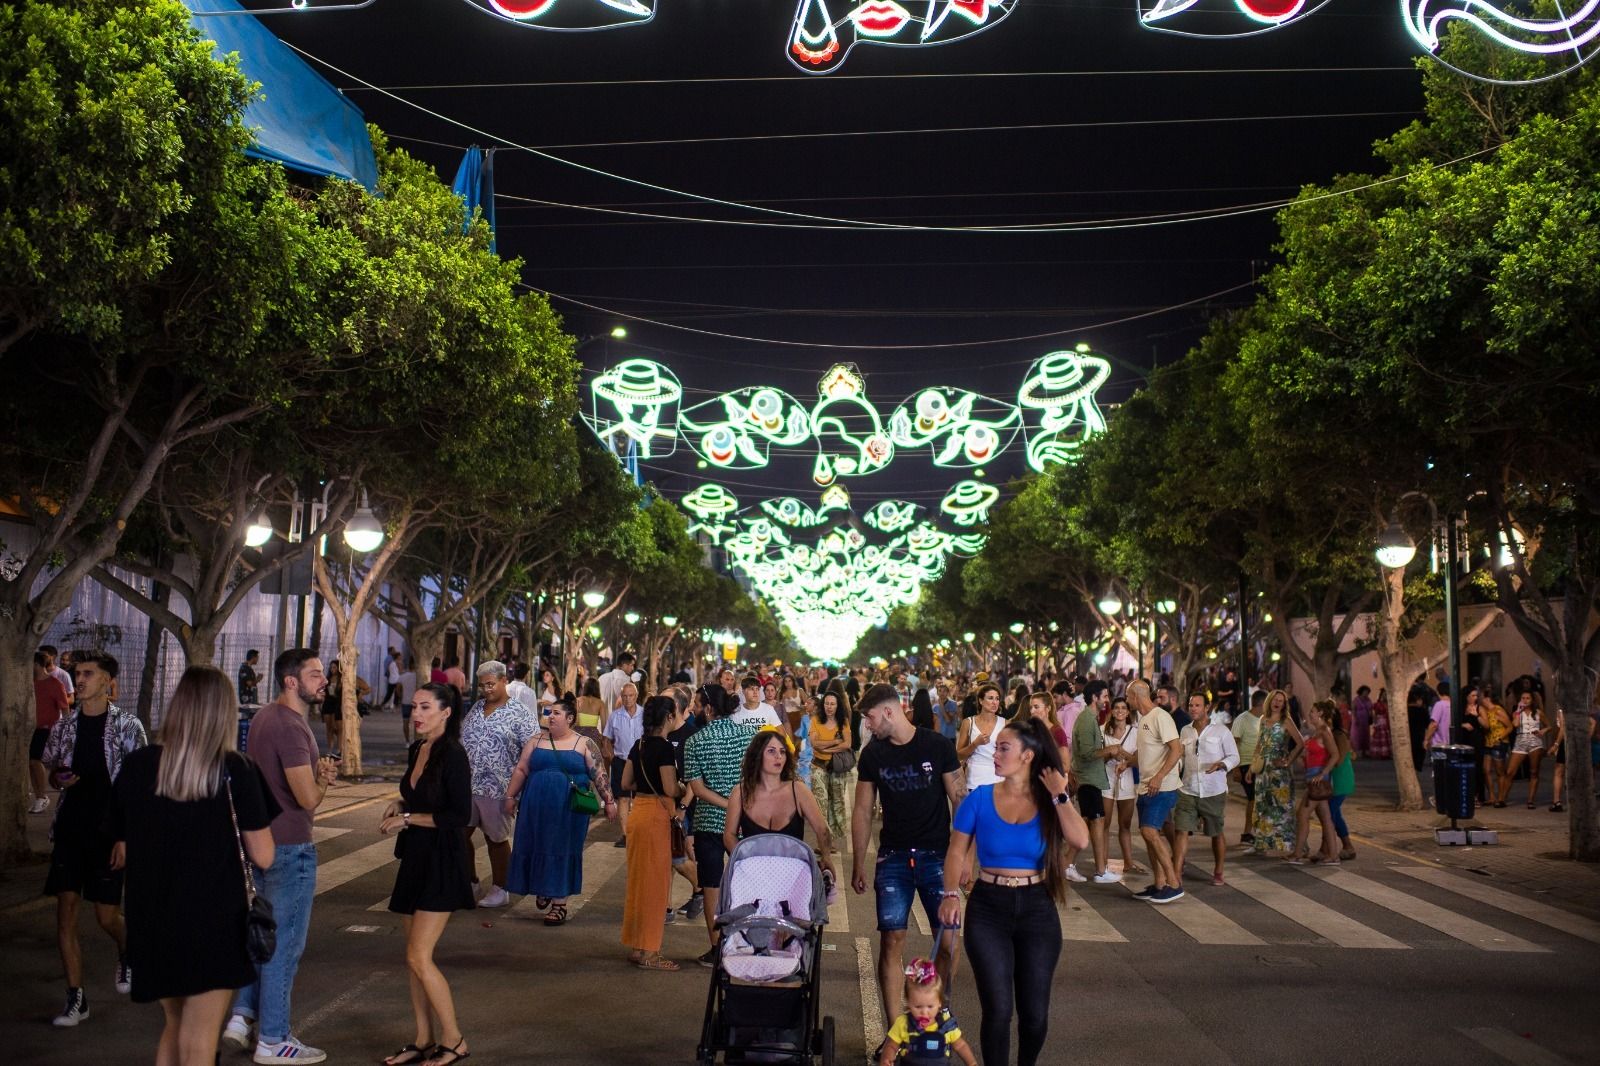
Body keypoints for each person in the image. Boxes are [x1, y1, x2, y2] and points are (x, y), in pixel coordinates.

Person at [110, 666, 279, 1066]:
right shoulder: (235, 769)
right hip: (213, 920)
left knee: (175, 1025)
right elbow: (264, 855)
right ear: (223, 713)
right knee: (201, 1038)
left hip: (150, 917)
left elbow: (121, 838)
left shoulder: (138, 766)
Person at [938, 716, 1086, 1066]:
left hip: (1037, 908)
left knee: (1034, 1015)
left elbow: (1079, 839)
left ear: (1028, 756)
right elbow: (956, 850)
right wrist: (948, 896)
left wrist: (1060, 794)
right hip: (988, 907)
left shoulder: (1051, 800)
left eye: (1004, 747)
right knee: (998, 1009)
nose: (995, 753)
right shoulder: (979, 799)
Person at [224, 649, 339, 1064]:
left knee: (260, 934)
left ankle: (242, 1016)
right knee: (284, 944)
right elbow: (306, 798)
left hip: (262, 841)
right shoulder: (291, 728)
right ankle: (274, 1039)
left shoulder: (263, 718)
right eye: (314, 674)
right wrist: (323, 781)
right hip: (290, 846)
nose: (322, 680)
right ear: (291, 681)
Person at [851, 683, 963, 1043]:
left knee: (947, 943)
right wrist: (858, 862)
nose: (867, 725)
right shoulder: (872, 755)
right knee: (891, 940)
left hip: (937, 856)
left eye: (869, 717)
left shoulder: (938, 745)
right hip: (894, 857)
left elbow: (959, 800)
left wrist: (963, 858)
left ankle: (937, 1017)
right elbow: (863, 810)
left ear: (888, 711)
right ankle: (895, 1032)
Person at [40, 652, 146, 1027]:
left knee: (105, 916)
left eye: (88, 674)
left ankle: (127, 950)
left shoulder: (128, 726)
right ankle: (76, 998)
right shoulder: (64, 727)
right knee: (65, 915)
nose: (79, 680)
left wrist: (126, 837)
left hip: (108, 832)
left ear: (107, 682)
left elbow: (139, 787)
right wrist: (58, 780)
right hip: (71, 830)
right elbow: (51, 766)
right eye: (77, 674)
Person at [378, 683, 475, 1066]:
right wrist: (400, 801)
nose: (416, 713)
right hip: (415, 857)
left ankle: (455, 1040)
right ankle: (423, 1038)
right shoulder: (417, 749)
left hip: (442, 860)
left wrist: (406, 818)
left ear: (446, 712)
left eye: (424, 707)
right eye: (414, 706)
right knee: (411, 957)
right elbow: (420, 796)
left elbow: (457, 815)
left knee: (420, 956)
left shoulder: (453, 754)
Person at [503, 698, 618, 925]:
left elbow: (599, 773)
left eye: (556, 713)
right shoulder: (535, 740)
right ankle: (543, 888)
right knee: (536, 844)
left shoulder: (583, 743)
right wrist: (510, 796)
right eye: (549, 712)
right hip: (535, 807)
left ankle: (559, 904)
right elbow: (522, 768)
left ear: (570, 718)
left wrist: (610, 801)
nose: (551, 717)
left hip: (568, 810)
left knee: (562, 849)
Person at [683, 684, 757, 965]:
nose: (695, 710)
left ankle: (717, 947)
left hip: (708, 823)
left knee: (711, 884)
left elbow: (698, 790)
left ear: (709, 709)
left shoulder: (695, 741)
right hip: (745, 822)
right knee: (746, 883)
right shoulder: (749, 737)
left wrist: (726, 804)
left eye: (698, 705)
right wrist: (738, 806)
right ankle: (748, 941)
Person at [460, 660, 539, 907]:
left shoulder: (520, 713)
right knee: (458, 834)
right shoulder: (476, 707)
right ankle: (470, 881)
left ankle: (500, 888)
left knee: (496, 839)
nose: (486, 690)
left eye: (491, 684)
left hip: (499, 788)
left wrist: (517, 793)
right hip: (467, 785)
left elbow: (531, 752)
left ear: (504, 680)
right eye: (482, 685)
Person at [621, 696, 690, 971]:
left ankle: (639, 947)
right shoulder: (663, 747)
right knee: (656, 886)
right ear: (669, 717)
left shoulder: (639, 745)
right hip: (656, 818)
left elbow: (626, 782)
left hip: (639, 813)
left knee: (639, 883)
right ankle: (650, 952)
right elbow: (670, 788)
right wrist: (684, 789)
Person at [723, 727, 838, 891]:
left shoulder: (798, 790)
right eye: (771, 751)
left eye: (782, 752)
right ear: (757, 756)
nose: (778, 756)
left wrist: (826, 857)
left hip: (794, 879)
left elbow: (822, 829)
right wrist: (747, 862)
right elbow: (729, 834)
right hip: (753, 879)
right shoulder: (740, 792)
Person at [1172, 693, 1239, 888]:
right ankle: (1176, 873)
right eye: (1191, 705)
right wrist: (1176, 767)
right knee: (1181, 831)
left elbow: (1234, 756)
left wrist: (1221, 764)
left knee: (1215, 832)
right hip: (1188, 788)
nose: (1193, 708)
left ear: (1207, 707)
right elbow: (1181, 757)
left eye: (1197, 705)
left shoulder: (1221, 731)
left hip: (1213, 790)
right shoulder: (1185, 731)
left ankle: (1218, 871)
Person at [1128, 680, 1184, 903]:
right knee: (1148, 834)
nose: (1127, 700)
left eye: (1128, 696)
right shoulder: (1144, 719)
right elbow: (1146, 754)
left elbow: (1176, 749)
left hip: (1161, 786)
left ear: (1135, 696)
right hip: (1146, 786)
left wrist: (1159, 777)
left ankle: (1174, 883)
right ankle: (1159, 883)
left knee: (1150, 832)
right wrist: (1128, 762)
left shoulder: (1160, 716)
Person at [877, 959, 977, 1066]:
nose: (924, 1012)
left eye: (930, 1006)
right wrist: (887, 1058)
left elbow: (960, 1045)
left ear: (939, 1003)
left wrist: (972, 1063)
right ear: (908, 1002)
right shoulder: (904, 1023)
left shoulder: (946, 1024)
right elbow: (891, 1045)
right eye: (918, 1006)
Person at [1250, 689, 1302, 856]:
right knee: (1261, 806)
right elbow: (1259, 744)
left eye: (1281, 700)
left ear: (1284, 704)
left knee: (1281, 808)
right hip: (1263, 770)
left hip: (1279, 773)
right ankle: (1261, 843)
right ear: (1269, 701)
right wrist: (1252, 766)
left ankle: (1286, 845)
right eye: (1275, 699)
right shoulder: (1263, 719)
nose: (1277, 703)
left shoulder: (1286, 721)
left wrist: (1288, 760)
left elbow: (1300, 743)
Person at [1288, 700, 1339, 866]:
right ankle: (1333, 855)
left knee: (1302, 814)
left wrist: (1323, 773)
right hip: (1311, 779)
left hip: (1318, 782)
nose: (1310, 714)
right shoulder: (1316, 732)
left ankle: (1297, 853)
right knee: (1325, 818)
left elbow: (1335, 755)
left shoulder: (1324, 732)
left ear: (1321, 714)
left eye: (1313, 711)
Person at [1100, 693, 1142, 877]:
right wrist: (1109, 753)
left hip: (1127, 780)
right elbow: (1096, 755)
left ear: (1128, 712)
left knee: (1125, 824)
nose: (1120, 711)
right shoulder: (1102, 731)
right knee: (1104, 824)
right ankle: (1102, 864)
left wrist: (1122, 754)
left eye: (1123, 708)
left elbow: (1140, 758)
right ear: (1112, 711)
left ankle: (1129, 863)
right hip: (1106, 779)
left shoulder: (1136, 731)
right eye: (1116, 708)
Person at [603, 680, 645, 849]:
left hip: (641, 761)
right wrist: (612, 757)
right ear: (621, 697)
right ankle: (626, 835)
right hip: (621, 760)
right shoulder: (615, 716)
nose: (628, 699)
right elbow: (606, 739)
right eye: (625, 696)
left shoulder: (645, 714)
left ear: (636, 696)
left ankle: (639, 833)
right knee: (623, 798)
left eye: (631, 695)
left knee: (641, 798)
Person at [809, 687, 853, 842]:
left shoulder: (844, 721)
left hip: (837, 768)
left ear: (837, 706)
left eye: (832, 704)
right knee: (820, 806)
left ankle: (832, 839)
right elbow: (814, 743)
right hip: (818, 766)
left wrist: (827, 747)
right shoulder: (815, 720)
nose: (829, 707)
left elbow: (847, 744)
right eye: (826, 703)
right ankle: (824, 841)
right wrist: (835, 742)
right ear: (823, 705)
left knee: (837, 804)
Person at [31, 651, 71, 814]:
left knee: (36, 760)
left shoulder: (55, 683)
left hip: (48, 728)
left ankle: (42, 796)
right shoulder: (30, 682)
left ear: (37, 665)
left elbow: (65, 708)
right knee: (31, 763)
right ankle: (40, 796)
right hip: (31, 728)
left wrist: (67, 730)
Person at [1498, 691, 1551, 808]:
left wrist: (1543, 730)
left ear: (1532, 700)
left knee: (1533, 771)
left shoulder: (1538, 712)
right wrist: (1518, 710)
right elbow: (1515, 725)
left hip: (1534, 741)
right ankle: (1502, 799)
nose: (1525, 700)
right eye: (1523, 698)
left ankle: (1530, 800)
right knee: (1510, 771)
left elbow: (1549, 725)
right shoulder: (1517, 713)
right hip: (1520, 740)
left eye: (1528, 698)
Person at [955, 683, 1003, 791]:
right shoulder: (968, 723)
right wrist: (975, 744)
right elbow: (959, 755)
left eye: (997, 699)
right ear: (981, 701)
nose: (994, 702)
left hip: (998, 780)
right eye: (990, 698)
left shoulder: (1005, 723)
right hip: (974, 780)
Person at [1232, 690, 1264, 846]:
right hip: (1246, 764)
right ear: (1261, 704)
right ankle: (1247, 833)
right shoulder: (1242, 720)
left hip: (1260, 764)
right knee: (1254, 798)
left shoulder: (1264, 720)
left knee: (1258, 799)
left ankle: (1254, 832)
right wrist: (1236, 768)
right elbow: (1234, 743)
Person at [1327, 703, 1357, 861]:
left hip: (1340, 779)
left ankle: (1329, 848)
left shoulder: (1338, 735)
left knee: (1329, 814)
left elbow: (1338, 760)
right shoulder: (1331, 733)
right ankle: (1347, 846)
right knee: (1334, 814)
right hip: (1334, 779)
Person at [1480, 692, 1511, 807]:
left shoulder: (1498, 710)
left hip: (1499, 743)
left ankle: (1501, 798)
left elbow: (1510, 726)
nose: (1480, 700)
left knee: (1499, 771)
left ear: (1487, 699)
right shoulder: (1485, 711)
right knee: (1486, 770)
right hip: (1488, 743)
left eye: (1482, 698)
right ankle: (1492, 796)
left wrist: (1500, 737)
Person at [574, 676, 607, 745]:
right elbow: (604, 725)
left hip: (578, 736)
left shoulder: (577, 700)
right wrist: (604, 740)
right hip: (593, 737)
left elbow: (574, 721)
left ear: (585, 687)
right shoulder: (601, 703)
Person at [398, 658, 419, 743]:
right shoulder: (418, 676)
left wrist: (400, 697)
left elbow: (397, 688)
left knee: (405, 722)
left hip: (405, 701)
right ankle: (415, 740)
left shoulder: (403, 676)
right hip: (416, 703)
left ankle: (407, 742)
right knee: (417, 722)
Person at [1369, 687, 1392, 759]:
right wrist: (1375, 721)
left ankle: (1386, 753)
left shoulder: (1388, 703)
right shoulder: (1377, 704)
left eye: (1386, 694)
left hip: (1386, 720)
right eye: (1384, 695)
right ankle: (1379, 753)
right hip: (1380, 721)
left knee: (1386, 736)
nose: (1385, 696)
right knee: (1380, 736)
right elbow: (1374, 713)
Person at [1351, 685, 1374, 756]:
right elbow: (1353, 709)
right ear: (1361, 691)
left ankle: (1366, 750)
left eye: (1368, 692)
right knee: (1358, 734)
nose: (1367, 693)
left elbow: (1370, 709)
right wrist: (1355, 718)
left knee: (1366, 734)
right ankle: (1358, 750)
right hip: (1358, 718)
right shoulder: (1356, 699)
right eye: (1365, 691)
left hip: (1366, 719)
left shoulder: (1368, 699)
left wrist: (1371, 717)